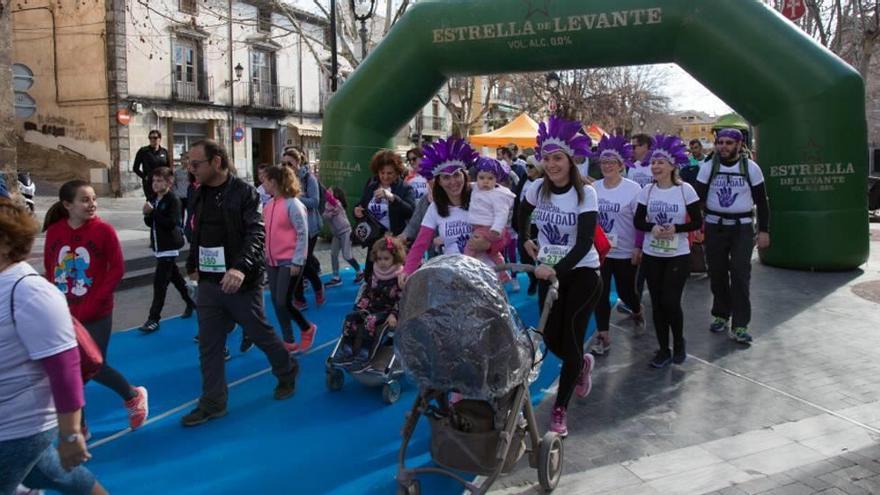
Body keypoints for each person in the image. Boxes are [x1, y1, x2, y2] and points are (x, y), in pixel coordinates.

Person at [182, 140, 299, 426]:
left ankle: (286, 370)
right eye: (189, 163)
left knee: (259, 333)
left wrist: (239, 268)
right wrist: (192, 263)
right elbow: (196, 231)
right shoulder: (196, 193)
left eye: (196, 164)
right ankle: (213, 402)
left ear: (217, 162)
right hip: (210, 282)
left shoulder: (244, 192)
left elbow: (256, 234)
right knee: (209, 344)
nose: (191, 169)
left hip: (241, 283)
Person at [0, 198, 109, 495]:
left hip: (18, 428)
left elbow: (64, 368)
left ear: (6, 242)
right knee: (59, 476)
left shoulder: (29, 292)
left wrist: (71, 434)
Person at [517, 116, 602, 437]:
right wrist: (526, 238)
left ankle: (559, 409)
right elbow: (521, 213)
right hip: (548, 271)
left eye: (558, 159)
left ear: (570, 161)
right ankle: (580, 364)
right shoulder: (537, 187)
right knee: (550, 339)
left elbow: (583, 243)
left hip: (582, 273)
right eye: (547, 158)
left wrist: (555, 269)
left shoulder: (586, 194)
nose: (551, 165)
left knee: (571, 335)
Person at [43, 180, 149, 431]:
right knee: (69, 369)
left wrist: (98, 298)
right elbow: (50, 268)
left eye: (93, 199)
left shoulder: (104, 231)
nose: (92, 205)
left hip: (96, 312)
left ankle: (133, 396)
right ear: (67, 205)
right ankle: (79, 426)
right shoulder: (55, 232)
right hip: (65, 312)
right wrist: (52, 301)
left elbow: (117, 268)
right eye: (85, 200)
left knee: (94, 366)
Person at [633, 135, 703, 368]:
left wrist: (676, 228)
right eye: (653, 162)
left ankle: (679, 343)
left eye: (660, 162)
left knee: (671, 301)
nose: (655, 166)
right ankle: (663, 349)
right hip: (653, 254)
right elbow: (638, 221)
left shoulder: (686, 190)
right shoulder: (647, 191)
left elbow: (697, 222)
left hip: (678, 254)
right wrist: (653, 227)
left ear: (672, 165)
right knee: (657, 302)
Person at [695, 128, 770, 344]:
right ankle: (720, 314)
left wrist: (764, 230)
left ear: (738, 145)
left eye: (728, 143)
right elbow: (697, 198)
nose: (723, 147)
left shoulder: (751, 168)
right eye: (720, 142)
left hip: (741, 228)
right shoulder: (708, 167)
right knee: (717, 273)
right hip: (714, 226)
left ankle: (740, 324)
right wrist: (695, 226)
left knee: (739, 274)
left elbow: (762, 202)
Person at [590, 136, 645, 356]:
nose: (607, 166)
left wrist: (638, 247)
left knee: (626, 291)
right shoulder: (593, 188)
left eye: (612, 162)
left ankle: (637, 308)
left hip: (625, 250)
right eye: (603, 163)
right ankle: (603, 335)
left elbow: (640, 221)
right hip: (600, 252)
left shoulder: (633, 189)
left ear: (621, 164)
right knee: (599, 293)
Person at [261, 165, 317, 353]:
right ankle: (289, 340)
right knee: (277, 302)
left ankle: (307, 328)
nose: (263, 184)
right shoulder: (268, 205)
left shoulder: (293, 204)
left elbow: (302, 233)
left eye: (265, 181)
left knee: (283, 301)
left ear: (274, 182)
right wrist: (264, 255)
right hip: (272, 261)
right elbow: (266, 233)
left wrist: (298, 260)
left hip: (290, 260)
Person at [404, 137, 478, 274]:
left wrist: (490, 245)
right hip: (452, 275)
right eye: (446, 177)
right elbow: (421, 243)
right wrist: (407, 271)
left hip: (483, 273)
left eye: (456, 175)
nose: (453, 182)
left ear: (464, 175)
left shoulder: (479, 196)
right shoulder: (435, 207)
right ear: (439, 182)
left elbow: (501, 232)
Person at [139, 167, 196, 333]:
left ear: (169, 182)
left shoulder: (173, 199)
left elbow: (171, 223)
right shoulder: (153, 198)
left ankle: (153, 318)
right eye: (154, 181)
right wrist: (147, 215)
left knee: (160, 282)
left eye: (159, 181)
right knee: (175, 277)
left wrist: (153, 212)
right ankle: (192, 302)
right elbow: (151, 223)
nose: (155, 184)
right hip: (158, 245)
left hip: (169, 246)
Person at [336, 236, 405, 364]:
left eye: (386, 259)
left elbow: (401, 300)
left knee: (370, 320)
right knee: (351, 317)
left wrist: (393, 315)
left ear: (394, 258)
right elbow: (368, 292)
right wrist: (361, 306)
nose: (382, 262)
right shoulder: (376, 273)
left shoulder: (398, 276)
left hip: (386, 310)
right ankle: (347, 345)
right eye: (379, 259)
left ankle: (366, 348)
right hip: (372, 307)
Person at [354, 150, 416, 279]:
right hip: (375, 241)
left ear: (397, 172)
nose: (385, 176)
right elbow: (362, 205)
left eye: (390, 173)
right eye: (382, 173)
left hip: (394, 241)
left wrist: (393, 198)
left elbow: (411, 211)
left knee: (394, 279)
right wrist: (357, 211)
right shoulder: (372, 186)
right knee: (370, 277)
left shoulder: (405, 188)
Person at [281, 149, 325, 310]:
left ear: (298, 163)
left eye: (289, 164)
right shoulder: (283, 179)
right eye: (283, 163)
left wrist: (294, 198)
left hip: (310, 227)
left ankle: (318, 287)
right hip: (291, 227)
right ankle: (299, 297)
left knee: (302, 263)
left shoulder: (309, 178)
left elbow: (314, 201)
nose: (286, 166)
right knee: (295, 262)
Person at [464, 157, 515, 269]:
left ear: (496, 179)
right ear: (477, 177)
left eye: (490, 178)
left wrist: (496, 229)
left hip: (489, 228)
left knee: (470, 248)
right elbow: (467, 185)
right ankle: (503, 272)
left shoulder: (497, 195)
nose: (485, 181)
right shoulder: (476, 188)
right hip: (484, 227)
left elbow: (502, 213)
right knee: (493, 254)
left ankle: (466, 268)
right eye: (481, 178)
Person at [323, 186, 364, 287]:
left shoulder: (338, 204)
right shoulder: (327, 205)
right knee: (333, 254)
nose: (328, 192)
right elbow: (325, 216)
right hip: (336, 234)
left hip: (345, 232)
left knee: (347, 255)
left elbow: (331, 210)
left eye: (330, 191)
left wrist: (329, 213)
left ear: (335, 195)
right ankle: (336, 277)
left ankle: (360, 271)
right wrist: (329, 214)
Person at [132, 130, 169, 200]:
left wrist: (168, 180)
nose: (152, 140)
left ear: (159, 139)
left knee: (163, 202)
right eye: (150, 138)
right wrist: (145, 177)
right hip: (150, 183)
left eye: (155, 138)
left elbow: (168, 167)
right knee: (152, 202)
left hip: (162, 182)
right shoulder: (143, 151)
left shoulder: (164, 152)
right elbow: (135, 168)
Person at [173, 152, 191, 224]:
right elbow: (173, 183)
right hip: (179, 197)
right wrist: (175, 192)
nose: (184, 161)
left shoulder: (192, 171)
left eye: (186, 159)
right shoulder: (177, 172)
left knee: (191, 215)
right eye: (182, 159)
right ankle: (180, 231)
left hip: (189, 196)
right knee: (180, 216)